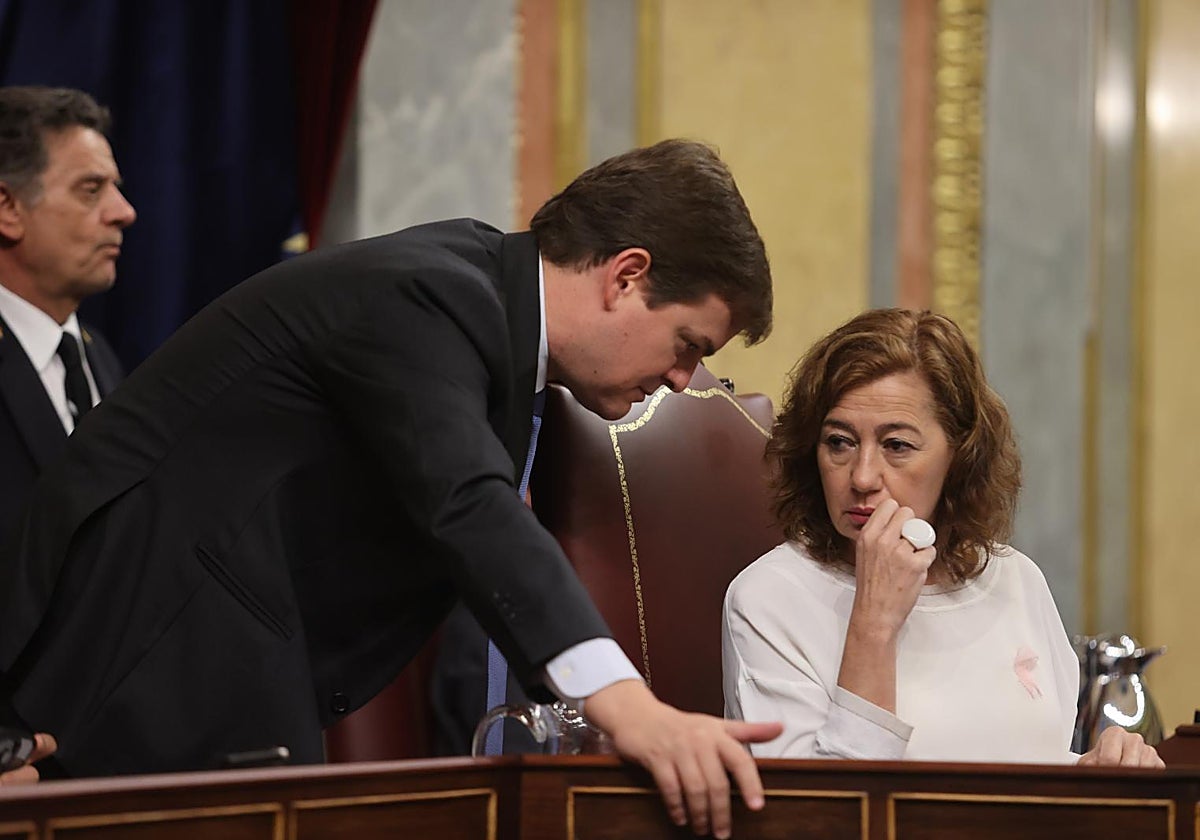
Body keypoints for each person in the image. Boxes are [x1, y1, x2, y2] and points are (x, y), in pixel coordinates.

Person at [0, 139, 780, 838]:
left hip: (209, 698)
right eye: (686, 344)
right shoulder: (429, 295)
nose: (684, 380)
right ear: (627, 274)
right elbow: (469, 506)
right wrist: (632, 709)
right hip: (132, 689)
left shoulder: (493, 323)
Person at [722, 308, 1161, 767]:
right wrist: (873, 626)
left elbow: (1032, 764)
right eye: (839, 442)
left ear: (960, 457)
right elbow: (816, 814)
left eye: (896, 446)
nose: (863, 476)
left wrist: (1094, 772)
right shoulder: (768, 598)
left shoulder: (1014, 578)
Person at [0, 86, 133, 549]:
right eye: (91, 190)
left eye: (116, 188)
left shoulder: (99, 356)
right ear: (8, 207)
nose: (124, 212)